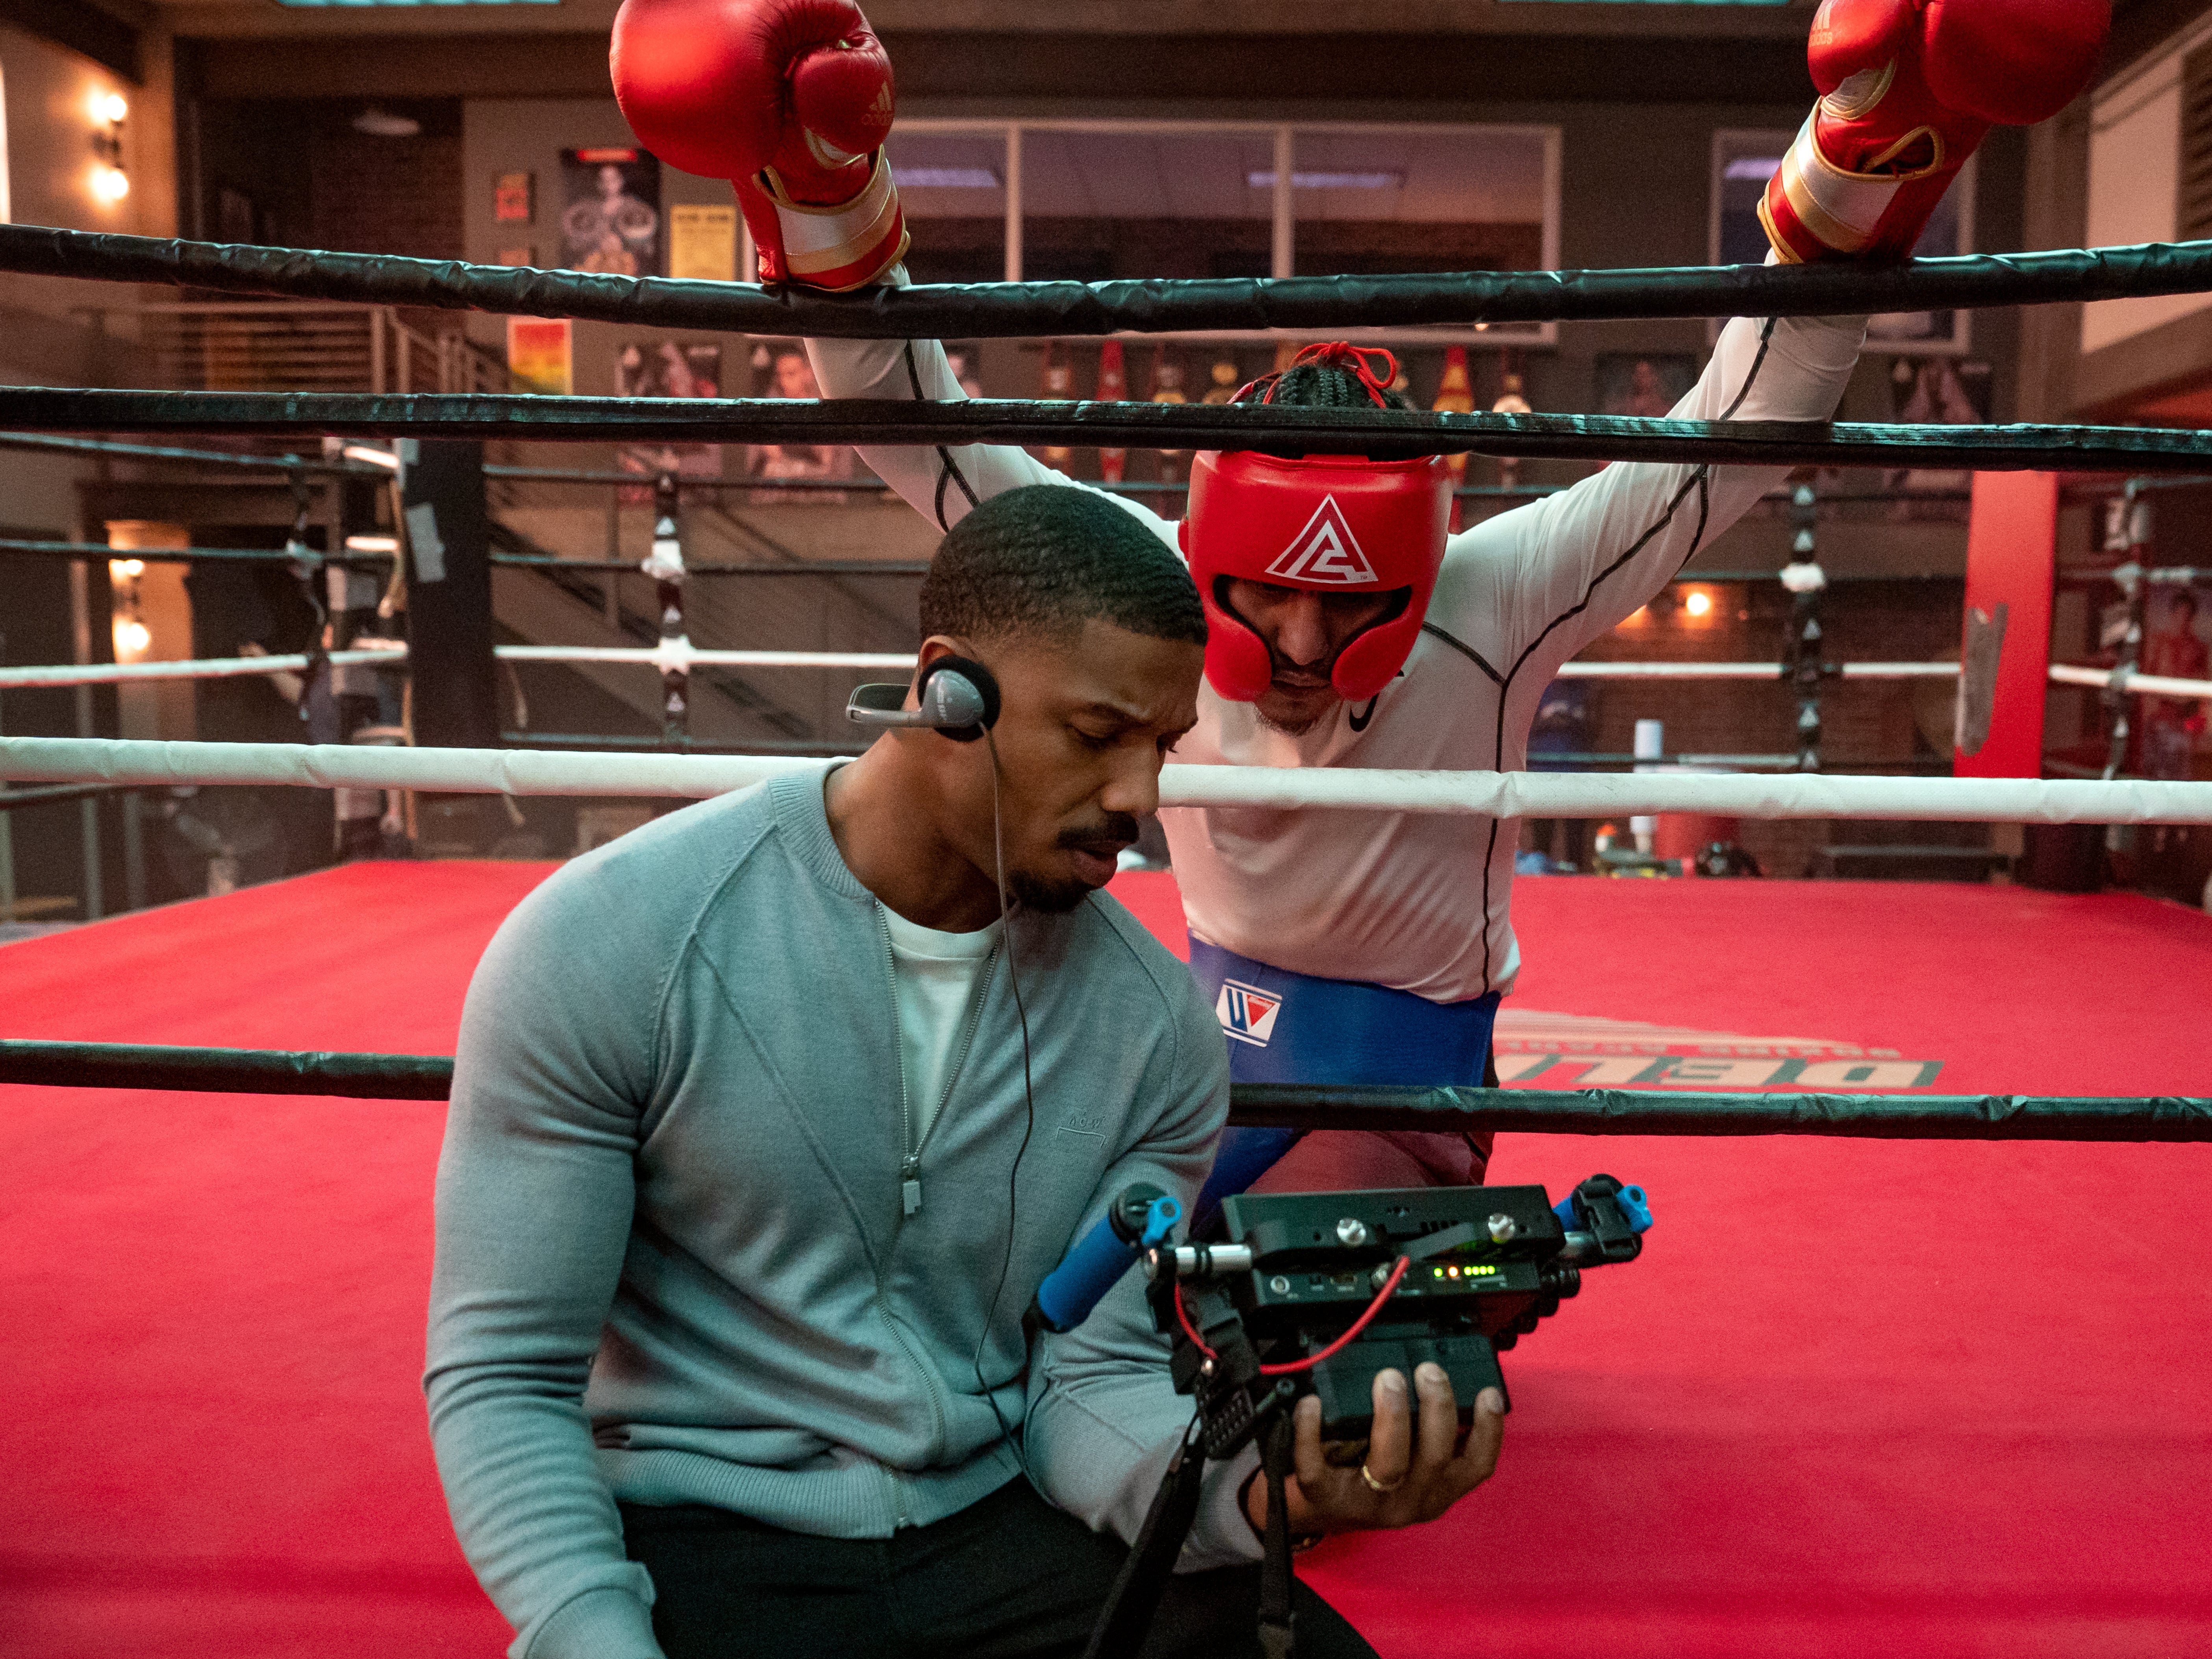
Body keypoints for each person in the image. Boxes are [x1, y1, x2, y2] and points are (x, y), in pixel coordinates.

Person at [425, 484, 1507, 1659]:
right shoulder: (615, 942)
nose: (1139, 800)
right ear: (949, 692)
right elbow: (509, 1377)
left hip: (994, 1524)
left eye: (1161, 747)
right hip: (701, 1533)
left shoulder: (1155, 1030)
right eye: (1098, 737)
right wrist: (589, 1633)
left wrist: (1261, 1499)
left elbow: (1085, 1378)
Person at [2140, 589, 2208, 783]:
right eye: (2179, 614)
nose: (2183, 620)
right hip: (2157, 721)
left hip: (2184, 725)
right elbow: (2145, 683)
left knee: (2180, 780)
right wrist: (2150, 719)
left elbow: (2201, 692)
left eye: (2187, 616)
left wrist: (2194, 726)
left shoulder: (2198, 648)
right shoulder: (2158, 642)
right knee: (2152, 779)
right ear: (2172, 614)